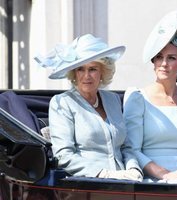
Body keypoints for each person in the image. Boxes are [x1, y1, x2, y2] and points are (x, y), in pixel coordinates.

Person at [34, 34, 143, 181]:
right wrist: (104, 174)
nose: (86, 76)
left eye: (92, 69)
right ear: (74, 72)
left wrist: (133, 168)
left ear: (102, 72)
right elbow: (63, 155)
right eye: (80, 69)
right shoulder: (62, 103)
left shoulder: (113, 100)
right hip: (87, 184)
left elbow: (125, 147)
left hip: (125, 183)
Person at [123, 9, 177, 182]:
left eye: (171, 58)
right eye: (159, 57)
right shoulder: (138, 98)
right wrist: (166, 174)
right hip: (151, 183)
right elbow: (131, 150)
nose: (164, 63)